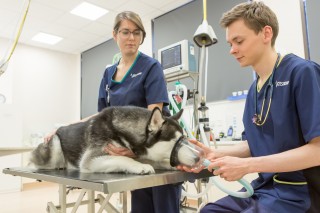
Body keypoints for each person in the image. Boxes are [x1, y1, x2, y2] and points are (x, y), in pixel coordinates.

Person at [178, 2, 320, 213]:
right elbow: (254, 145)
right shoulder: (255, 89)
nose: (232, 50)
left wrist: (249, 166)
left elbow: (317, 151)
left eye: (239, 41)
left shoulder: (302, 73)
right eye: (230, 44)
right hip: (265, 190)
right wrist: (215, 153)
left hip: (301, 194)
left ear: (266, 33)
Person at [45, 11, 181, 213]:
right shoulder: (109, 73)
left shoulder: (151, 67)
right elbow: (102, 116)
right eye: (125, 32)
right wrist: (64, 129)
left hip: (157, 148)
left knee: (162, 205)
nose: (131, 38)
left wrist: (135, 150)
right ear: (115, 34)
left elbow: (156, 119)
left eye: (137, 32)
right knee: (141, 205)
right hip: (130, 152)